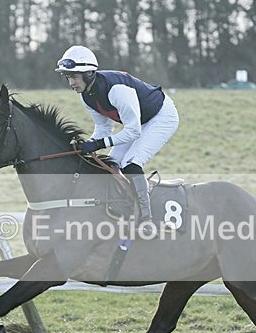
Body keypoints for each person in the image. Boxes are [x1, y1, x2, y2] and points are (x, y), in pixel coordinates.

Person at [55, 45, 179, 235]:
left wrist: (97, 145)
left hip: (161, 117)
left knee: (131, 163)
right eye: (68, 77)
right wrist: (86, 144)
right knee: (111, 165)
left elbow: (133, 131)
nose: (70, 81)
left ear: (88, 74)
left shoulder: (116, 90)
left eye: (73, 76)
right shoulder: (86, 96)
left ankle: (146, 220)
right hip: (138, 123)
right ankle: (122, 212)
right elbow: (104, 128)